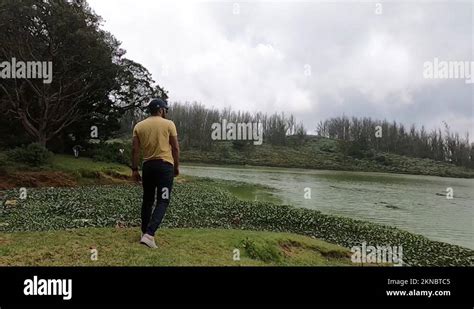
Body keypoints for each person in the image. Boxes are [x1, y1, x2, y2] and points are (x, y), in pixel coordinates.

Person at [131, 98, 180, 248]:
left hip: (148, 167)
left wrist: (134, 169)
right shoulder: (169, 124)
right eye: (165, 110)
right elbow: (176, 148)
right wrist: (176, 167)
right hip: (165, 168)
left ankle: (144, 232)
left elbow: (135, 150)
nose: (166, 112)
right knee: (163, 200)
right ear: (161, 110)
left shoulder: (139, 126)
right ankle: (149, 234)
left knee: (147, 200)